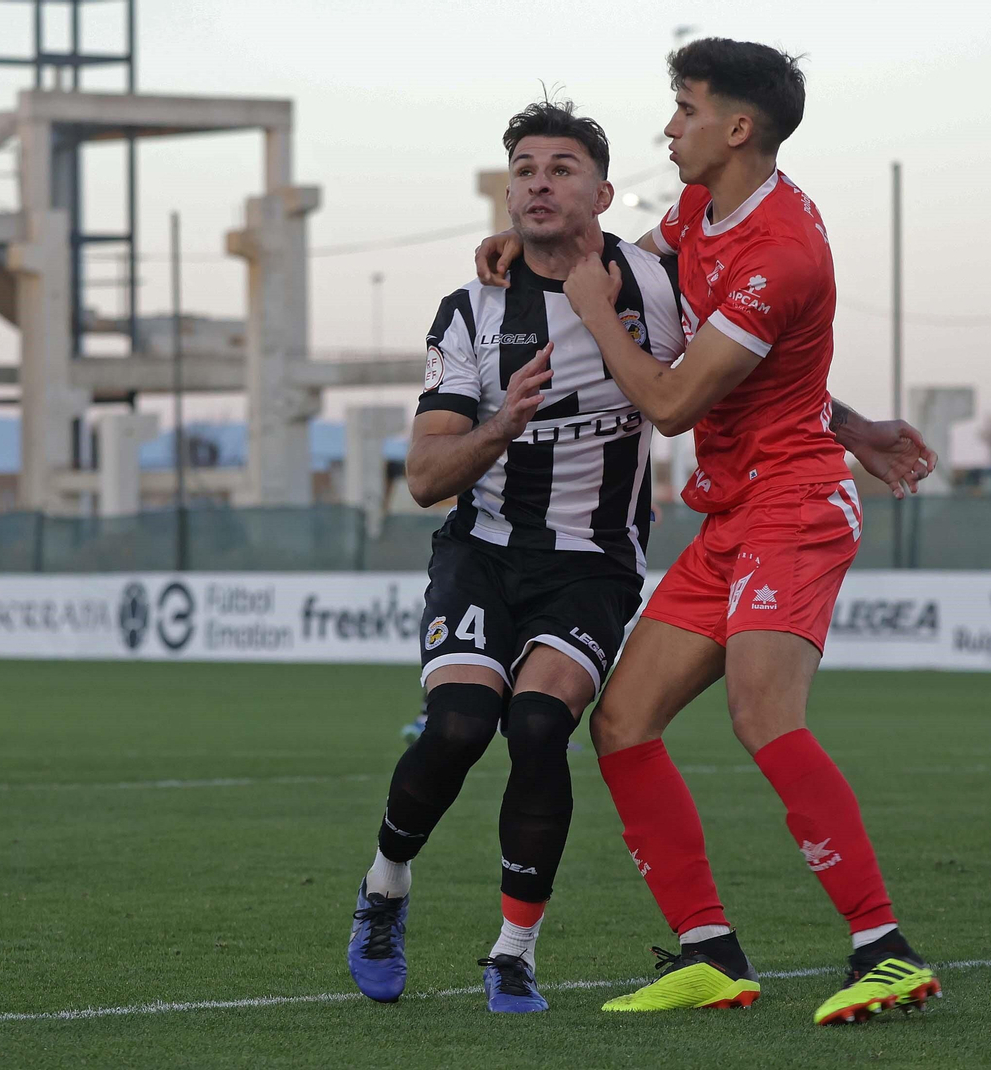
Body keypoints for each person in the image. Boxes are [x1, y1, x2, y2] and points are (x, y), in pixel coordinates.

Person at [477, 38, 941, 1026]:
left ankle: (884, 947)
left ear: (737, 128)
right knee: (620, 721)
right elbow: (627, 270)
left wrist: (596, 312)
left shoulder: (782, 249)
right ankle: (708, 951)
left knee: (762, 713)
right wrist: (540, 246)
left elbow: (676, 398)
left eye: (683, 109)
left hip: (794, 505)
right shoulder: (696, 211)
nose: (667, 128)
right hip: (733, 510)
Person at [348, 100, 689, 1014]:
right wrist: (503, 422)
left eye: (563, 167)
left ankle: (513, 952)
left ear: (604, 192)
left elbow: (749, 366)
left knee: (539, 727)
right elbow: (425, 477)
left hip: (592, 562)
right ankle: (384, 888)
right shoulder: (473, 306)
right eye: (525, 169)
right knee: (459, 726)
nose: (540, 182)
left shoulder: (660, 285)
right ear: (509, 195)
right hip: (485, 553)